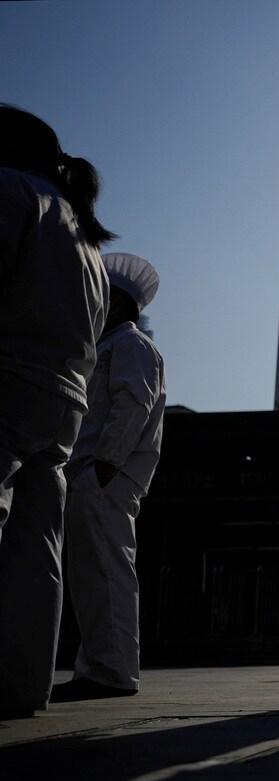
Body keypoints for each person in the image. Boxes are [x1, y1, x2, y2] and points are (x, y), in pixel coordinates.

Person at [0, 106, 113, 718]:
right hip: (63, 401)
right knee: (37, 541)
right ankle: (22, 685)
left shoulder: (11, 191)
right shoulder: (86, 238)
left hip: (10, 375)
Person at [50, 253, 166, 701]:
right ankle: (97, 665)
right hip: (91, 474)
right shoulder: (107, 347)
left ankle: (113, 670)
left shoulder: (133, 347)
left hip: (107, 476)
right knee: (89, 575)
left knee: (107, 572)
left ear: (120, 304)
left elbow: (133, 406)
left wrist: (105, 464)